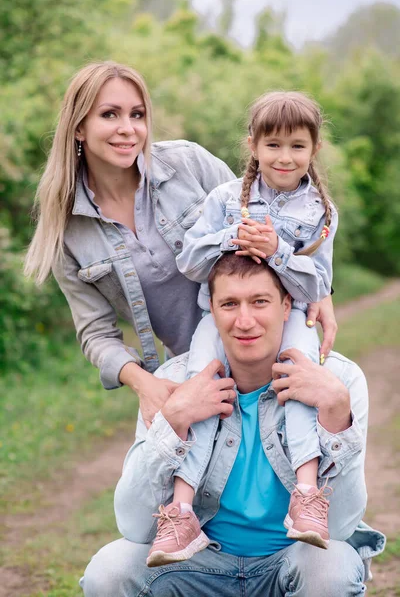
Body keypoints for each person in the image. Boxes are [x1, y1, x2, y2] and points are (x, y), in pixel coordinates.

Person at [24, 63, 337, 431]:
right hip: (198, 371)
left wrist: (321, 291)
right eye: (110, 114)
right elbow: (96, 334)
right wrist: (146, 385)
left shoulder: (188, 163)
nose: (128, 128)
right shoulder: (68, 229)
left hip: (271, 347)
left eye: (137, 114)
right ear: (79, 126)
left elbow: (273, 206)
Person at [80, 254, 385, 597]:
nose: (244, 320)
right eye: (229, 304)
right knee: (109, 570)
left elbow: (339, 529)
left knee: (333, 568)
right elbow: (133, 525)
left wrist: (337, 415)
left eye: (259, 302)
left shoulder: (339, 381)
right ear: (211, 309)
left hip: (289, 562)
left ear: (287, 306)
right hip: (200, 564)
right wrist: (175, 418)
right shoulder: (172, 381)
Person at [148, 91, 338, 562]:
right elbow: (190, 262)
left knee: (295, 383)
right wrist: (230, 236)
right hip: (223, 315)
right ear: (252, 145)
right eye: (273, 145)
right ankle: (182, 509)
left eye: (298, 145)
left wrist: (278, 250)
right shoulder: (225, 198)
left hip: (289, 318)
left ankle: (307, 496)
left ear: (314, 149)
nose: (285, 157)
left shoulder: (320, 212)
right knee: (203, 385)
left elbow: (320, 281)